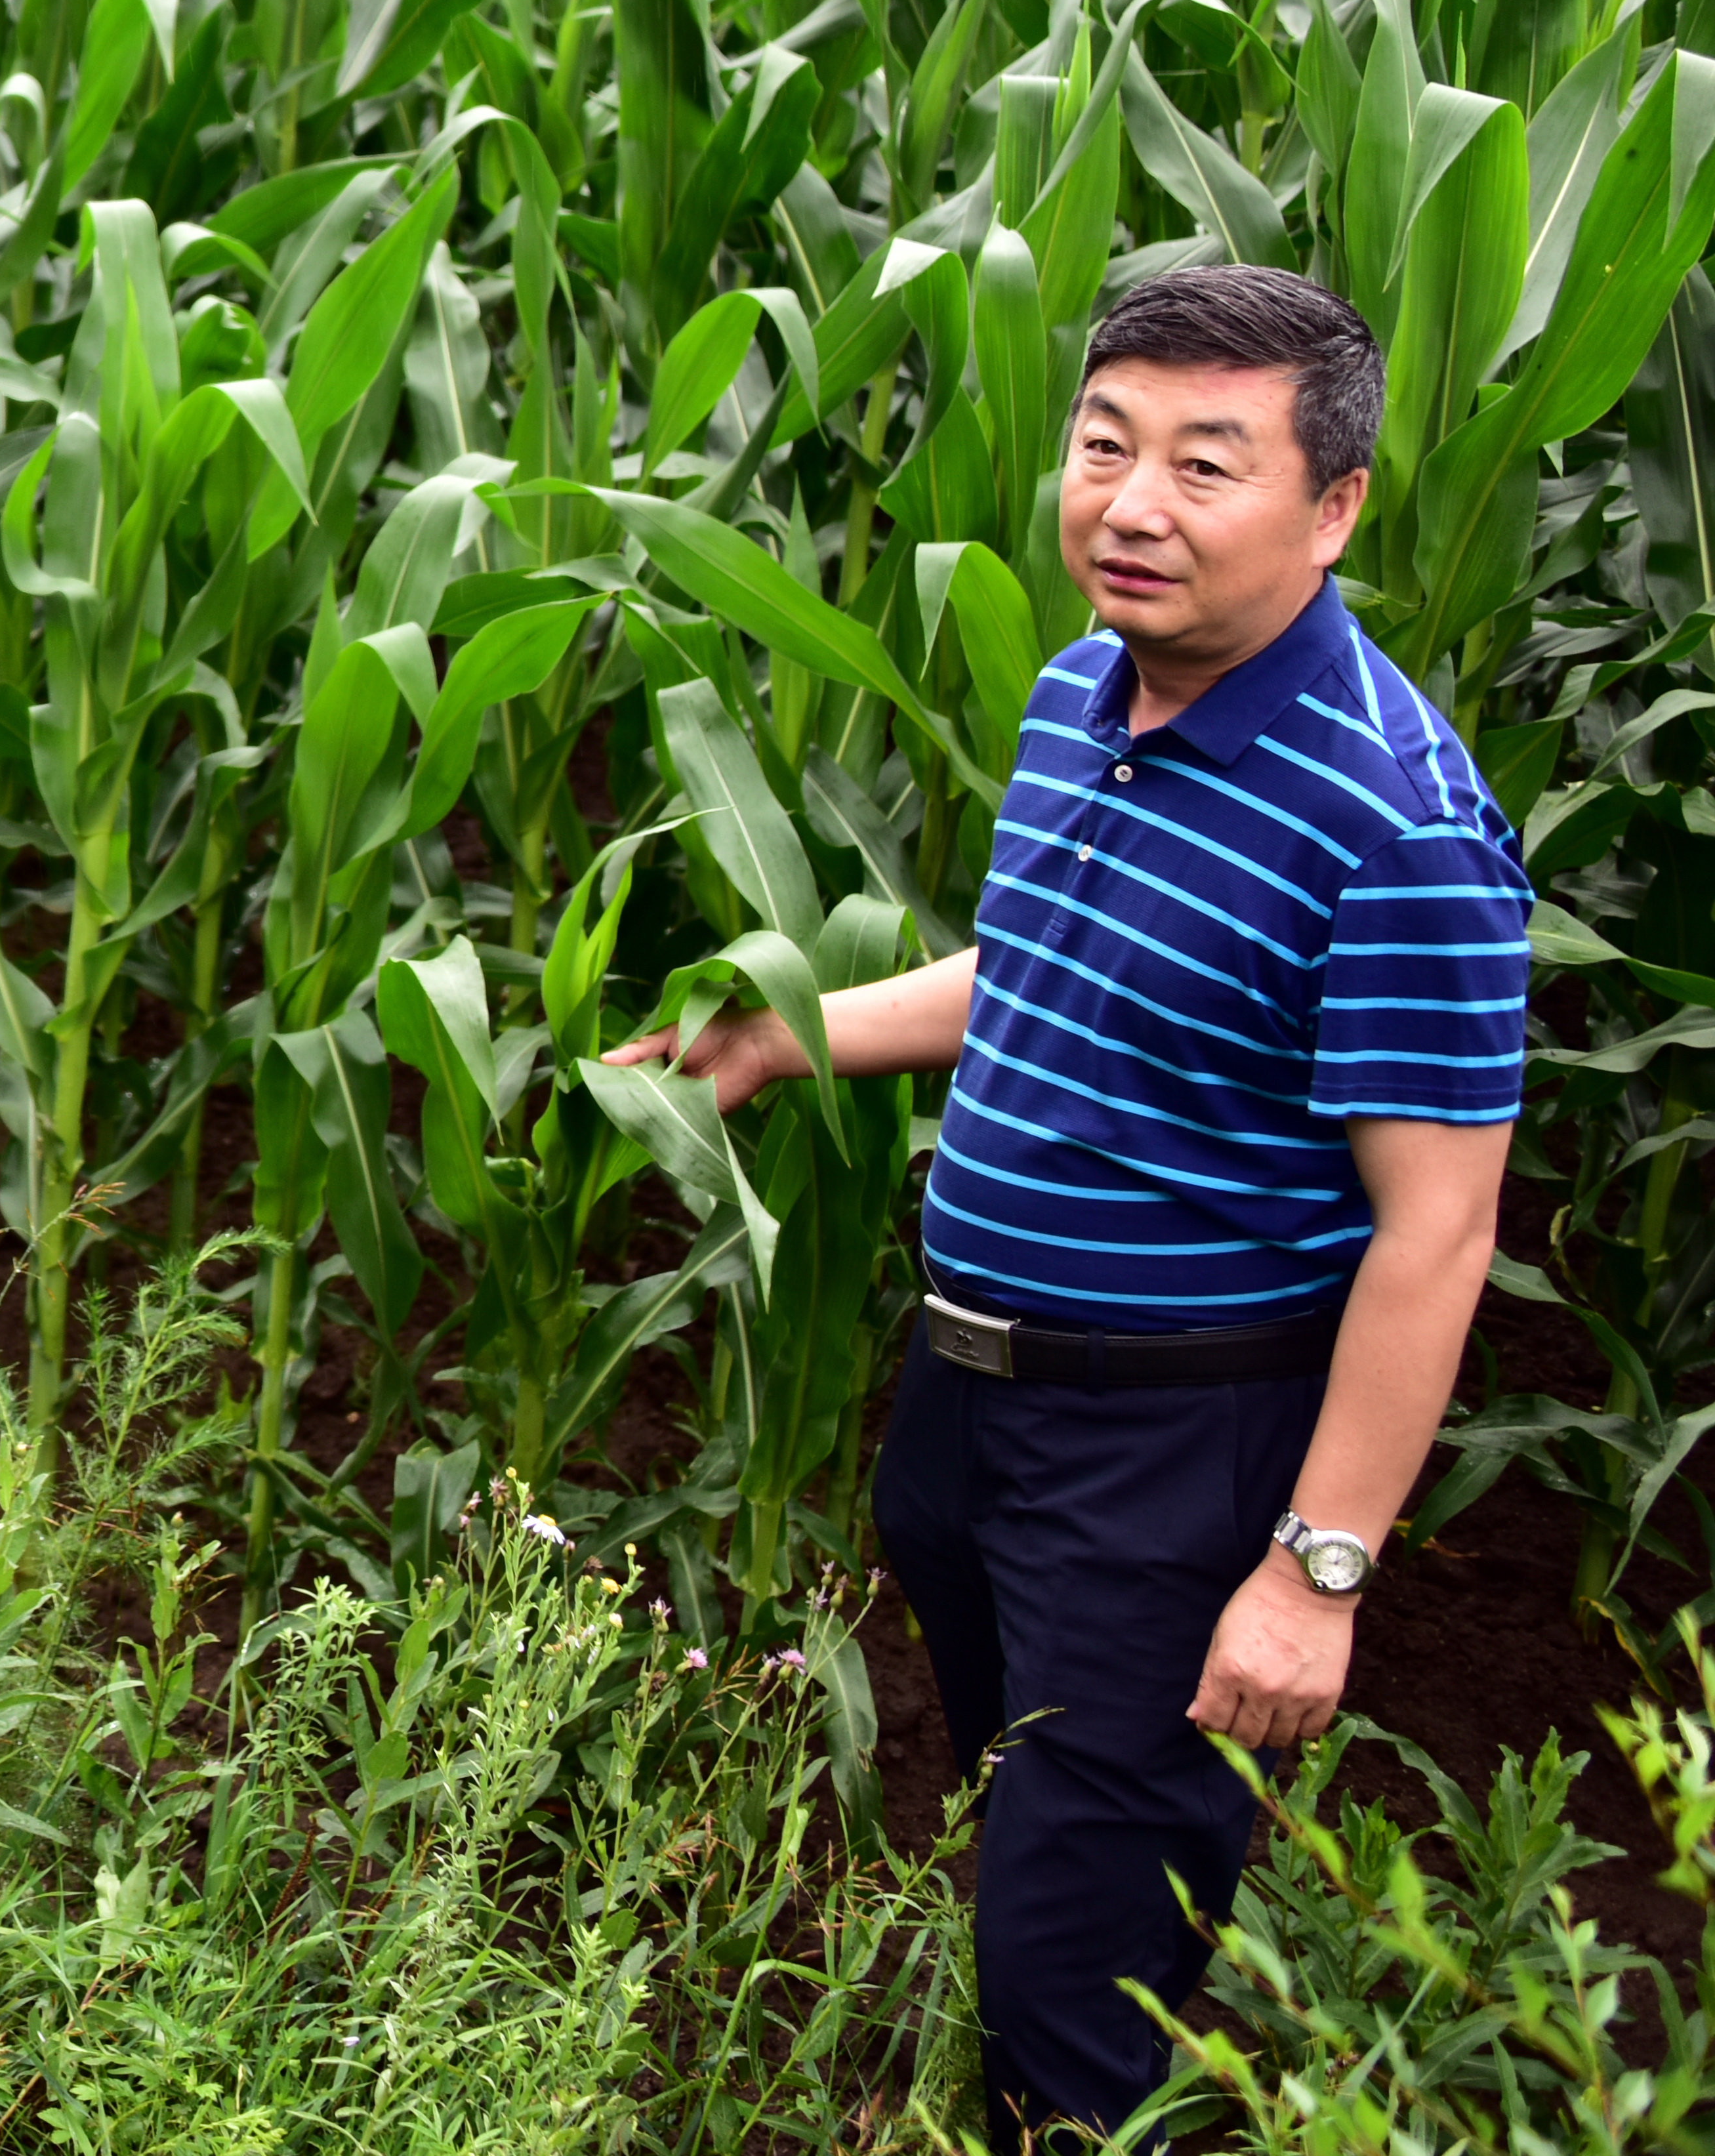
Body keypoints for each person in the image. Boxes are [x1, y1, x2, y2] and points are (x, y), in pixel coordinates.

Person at [615, 263, 1529, 2146]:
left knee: (1071, 1979)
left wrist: (1314, 1568)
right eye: (1106, 445)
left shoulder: (1395, 824)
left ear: (1337, 506)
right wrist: (785, 1036)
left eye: (1210, 465)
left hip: (1178, 1452)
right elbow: (1038, 968)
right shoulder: (1077, 692)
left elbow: (1438, 1230)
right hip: (978, 1407)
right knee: (1047, 1854)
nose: (1131, 503)